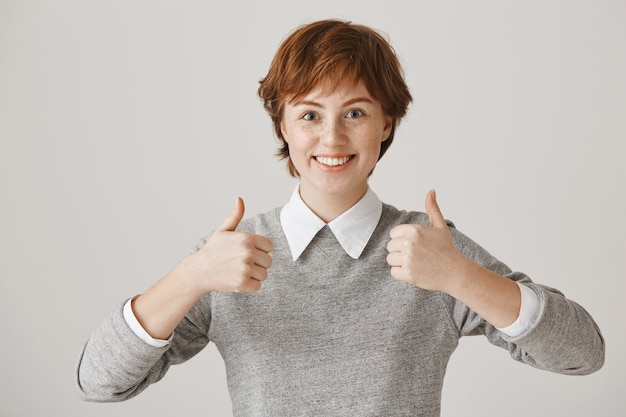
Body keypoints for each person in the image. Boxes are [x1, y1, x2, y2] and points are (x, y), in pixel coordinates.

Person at [75, 19, 605, 416]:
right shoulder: (229, 256)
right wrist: (190, 277)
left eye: (355, 112)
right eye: (309, 114)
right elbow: (100, 382)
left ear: (386, 125)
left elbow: (583, 354)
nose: (331, 139)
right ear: (282, 125)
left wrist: (461, 276)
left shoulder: (431, 250)